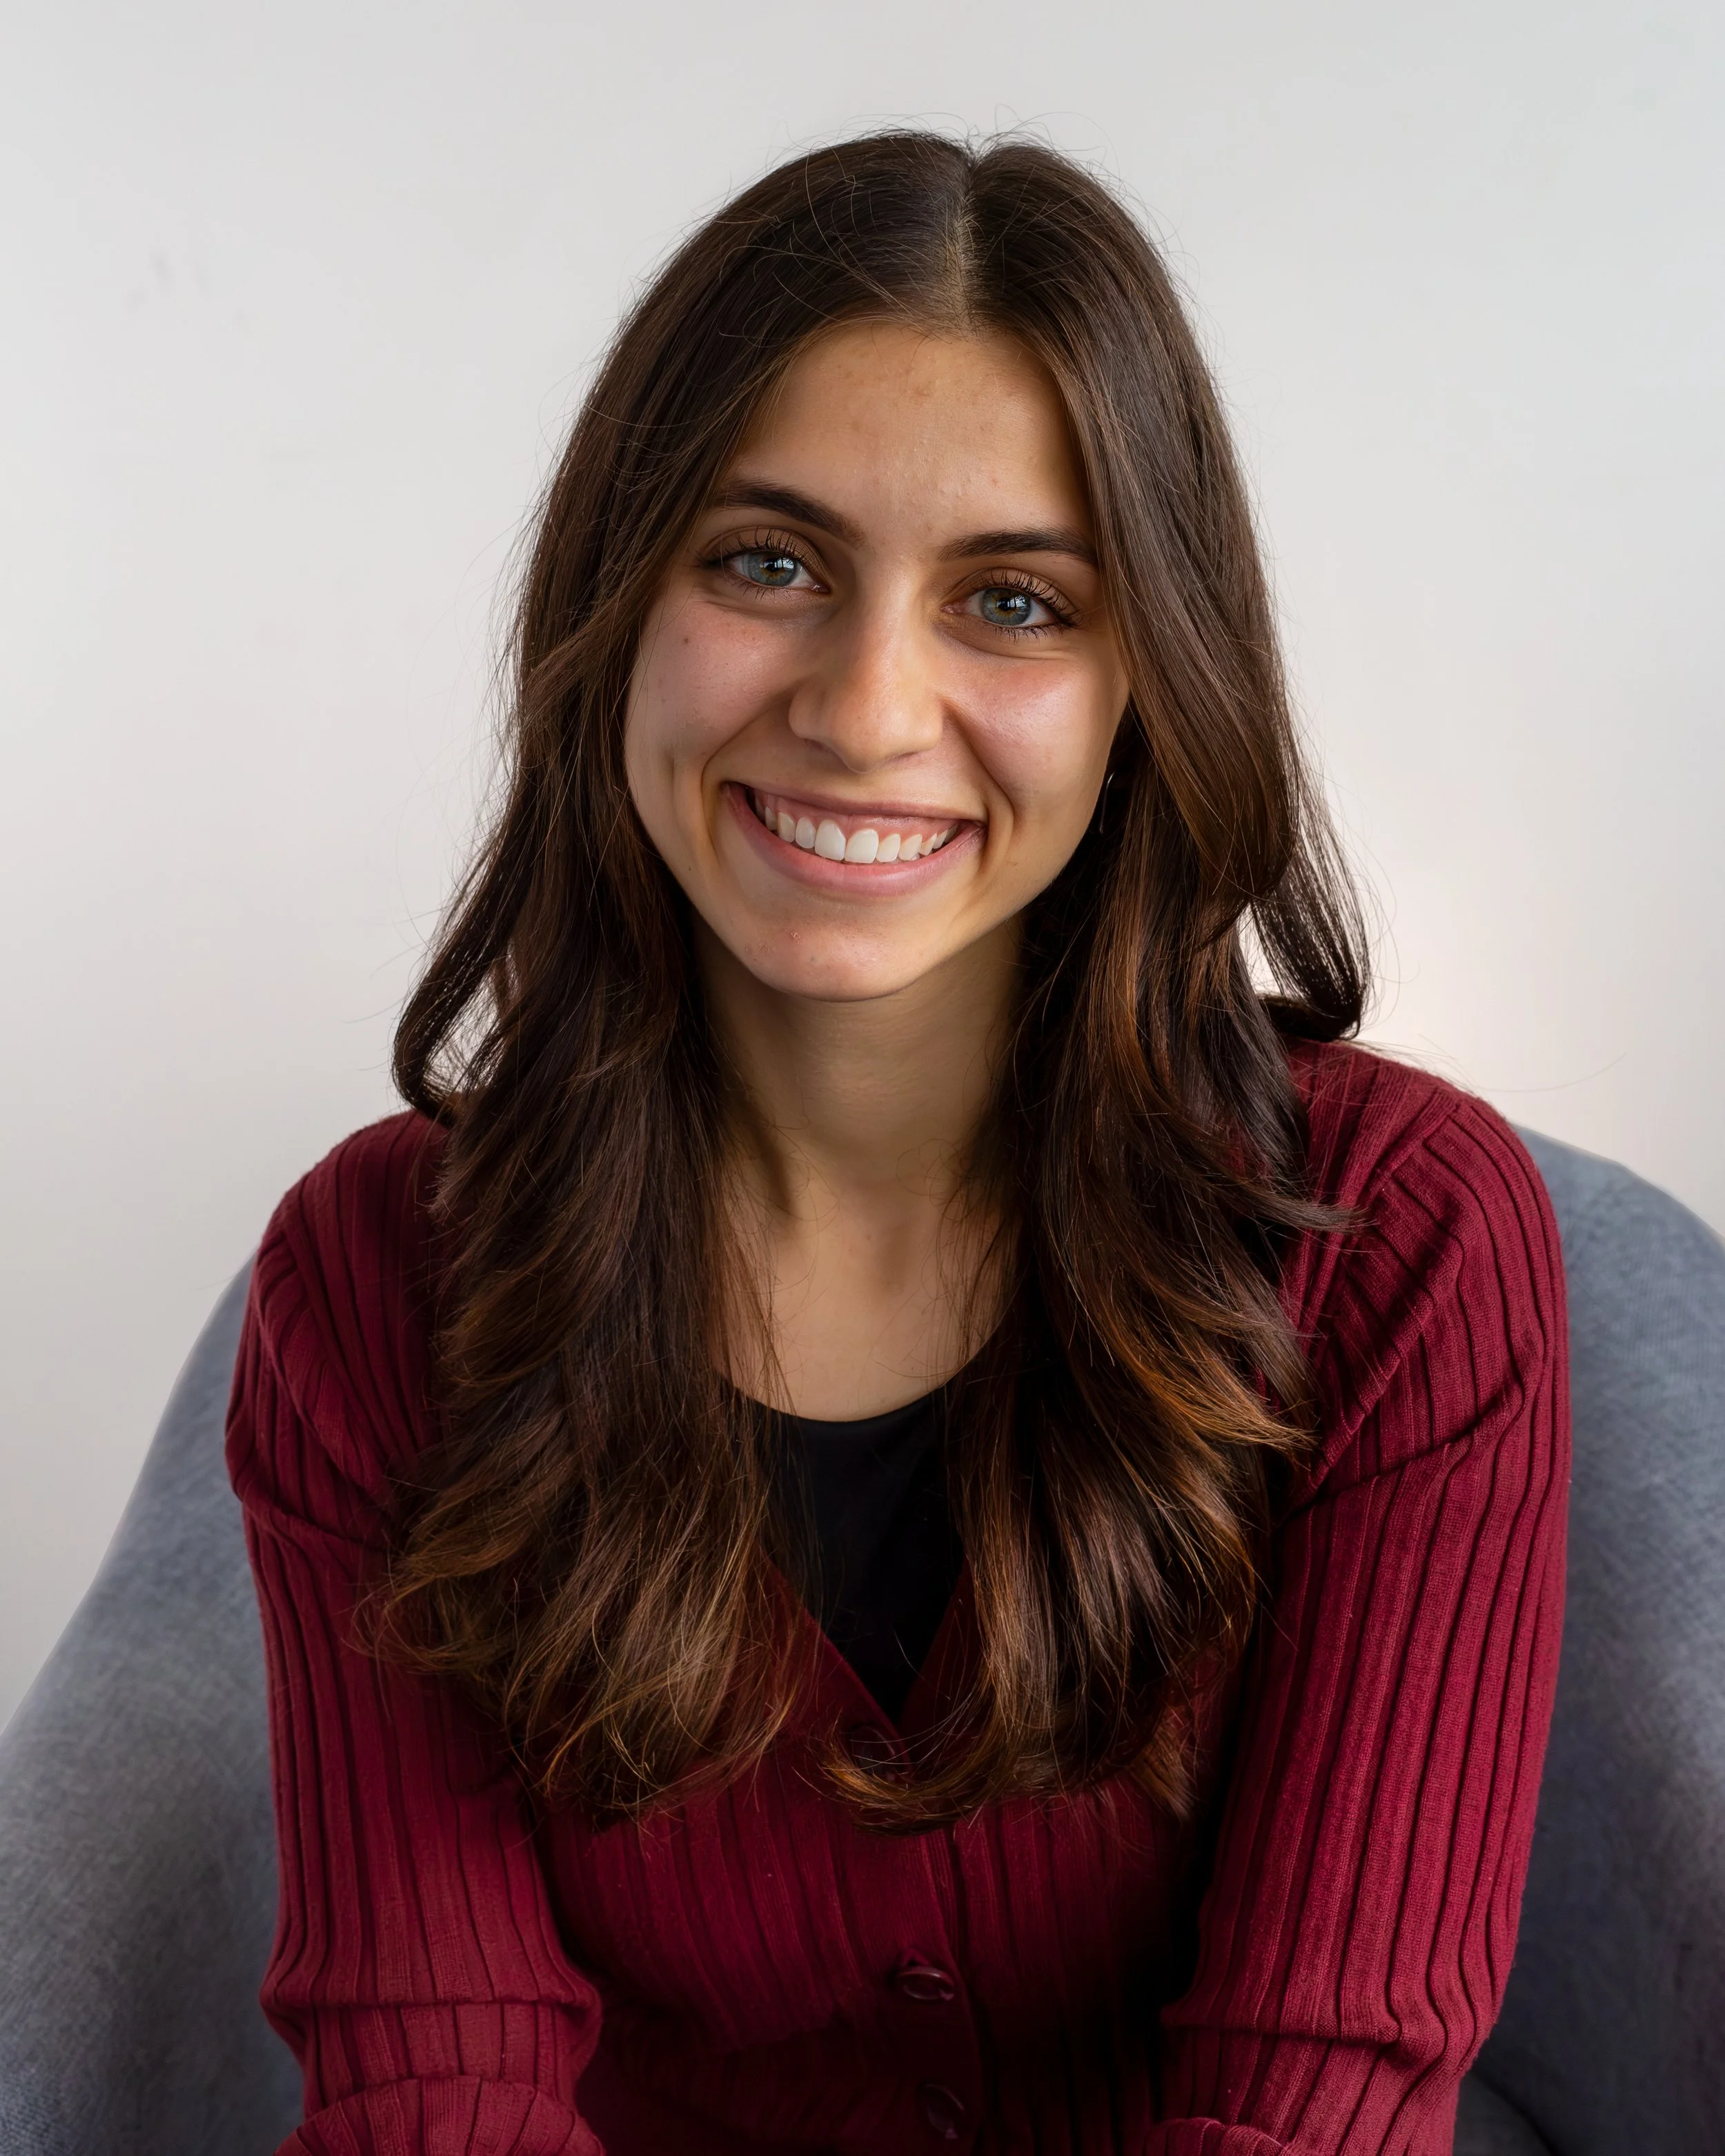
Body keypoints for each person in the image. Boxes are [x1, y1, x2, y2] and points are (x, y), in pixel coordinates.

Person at [227, 131, 1569, 2156]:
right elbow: (435, 2086)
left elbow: (1315, 2111)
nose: (864, 710)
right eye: (764, 561)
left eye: (1011, 602)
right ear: (617, 599)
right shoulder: (369, 1278)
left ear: (1146, 685)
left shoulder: (1400, 1245)